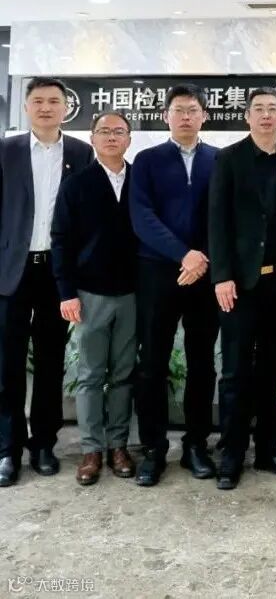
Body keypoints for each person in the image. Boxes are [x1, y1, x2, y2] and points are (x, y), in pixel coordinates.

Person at [0, 77, 93, 488]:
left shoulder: (80, 153)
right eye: (37, 100)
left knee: (51, 361)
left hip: (57, 272)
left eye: (54, 101)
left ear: (65, 108)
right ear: (26, 107)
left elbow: (84, 217)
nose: (45, 107)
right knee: (7, 364)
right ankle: (7, 448)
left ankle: (43, 444)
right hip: (12, 271)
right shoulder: (6, 151)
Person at [208, 87, 276, 490]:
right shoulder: (228, 159)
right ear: (247, 116)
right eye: (258, 109)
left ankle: (268, 449)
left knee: (273, 369)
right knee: (234, 371)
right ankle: (231, 453)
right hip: (238, 286)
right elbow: (217, 220)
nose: (266, 115)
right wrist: (221, 275)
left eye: (272, 109)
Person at [130, 83, 219, 487]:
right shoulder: (147, 160)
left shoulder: (219, 160)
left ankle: (196, 445)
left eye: (193, 110)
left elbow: (224, 216)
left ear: (204, 116)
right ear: (166, 116)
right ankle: (153, 448)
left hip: (205, 275)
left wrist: (203, 258)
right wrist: (184, 255)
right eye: (178, 109)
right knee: (152, 363)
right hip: (157, 273)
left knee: (202, 363)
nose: (185, 116)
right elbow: (142, 217)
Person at [51, 111, 137, 485]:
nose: (111, 137)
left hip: (132, 294)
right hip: (89, 294)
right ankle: (91, 449)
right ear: (93, 138)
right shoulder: (77, 184)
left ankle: (118, 446)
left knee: (123, 374)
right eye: (104, 131)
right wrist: (66, 292)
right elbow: (61, 240)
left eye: (119, 131)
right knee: (89, 375)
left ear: (129, 139)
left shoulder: (140, 180)